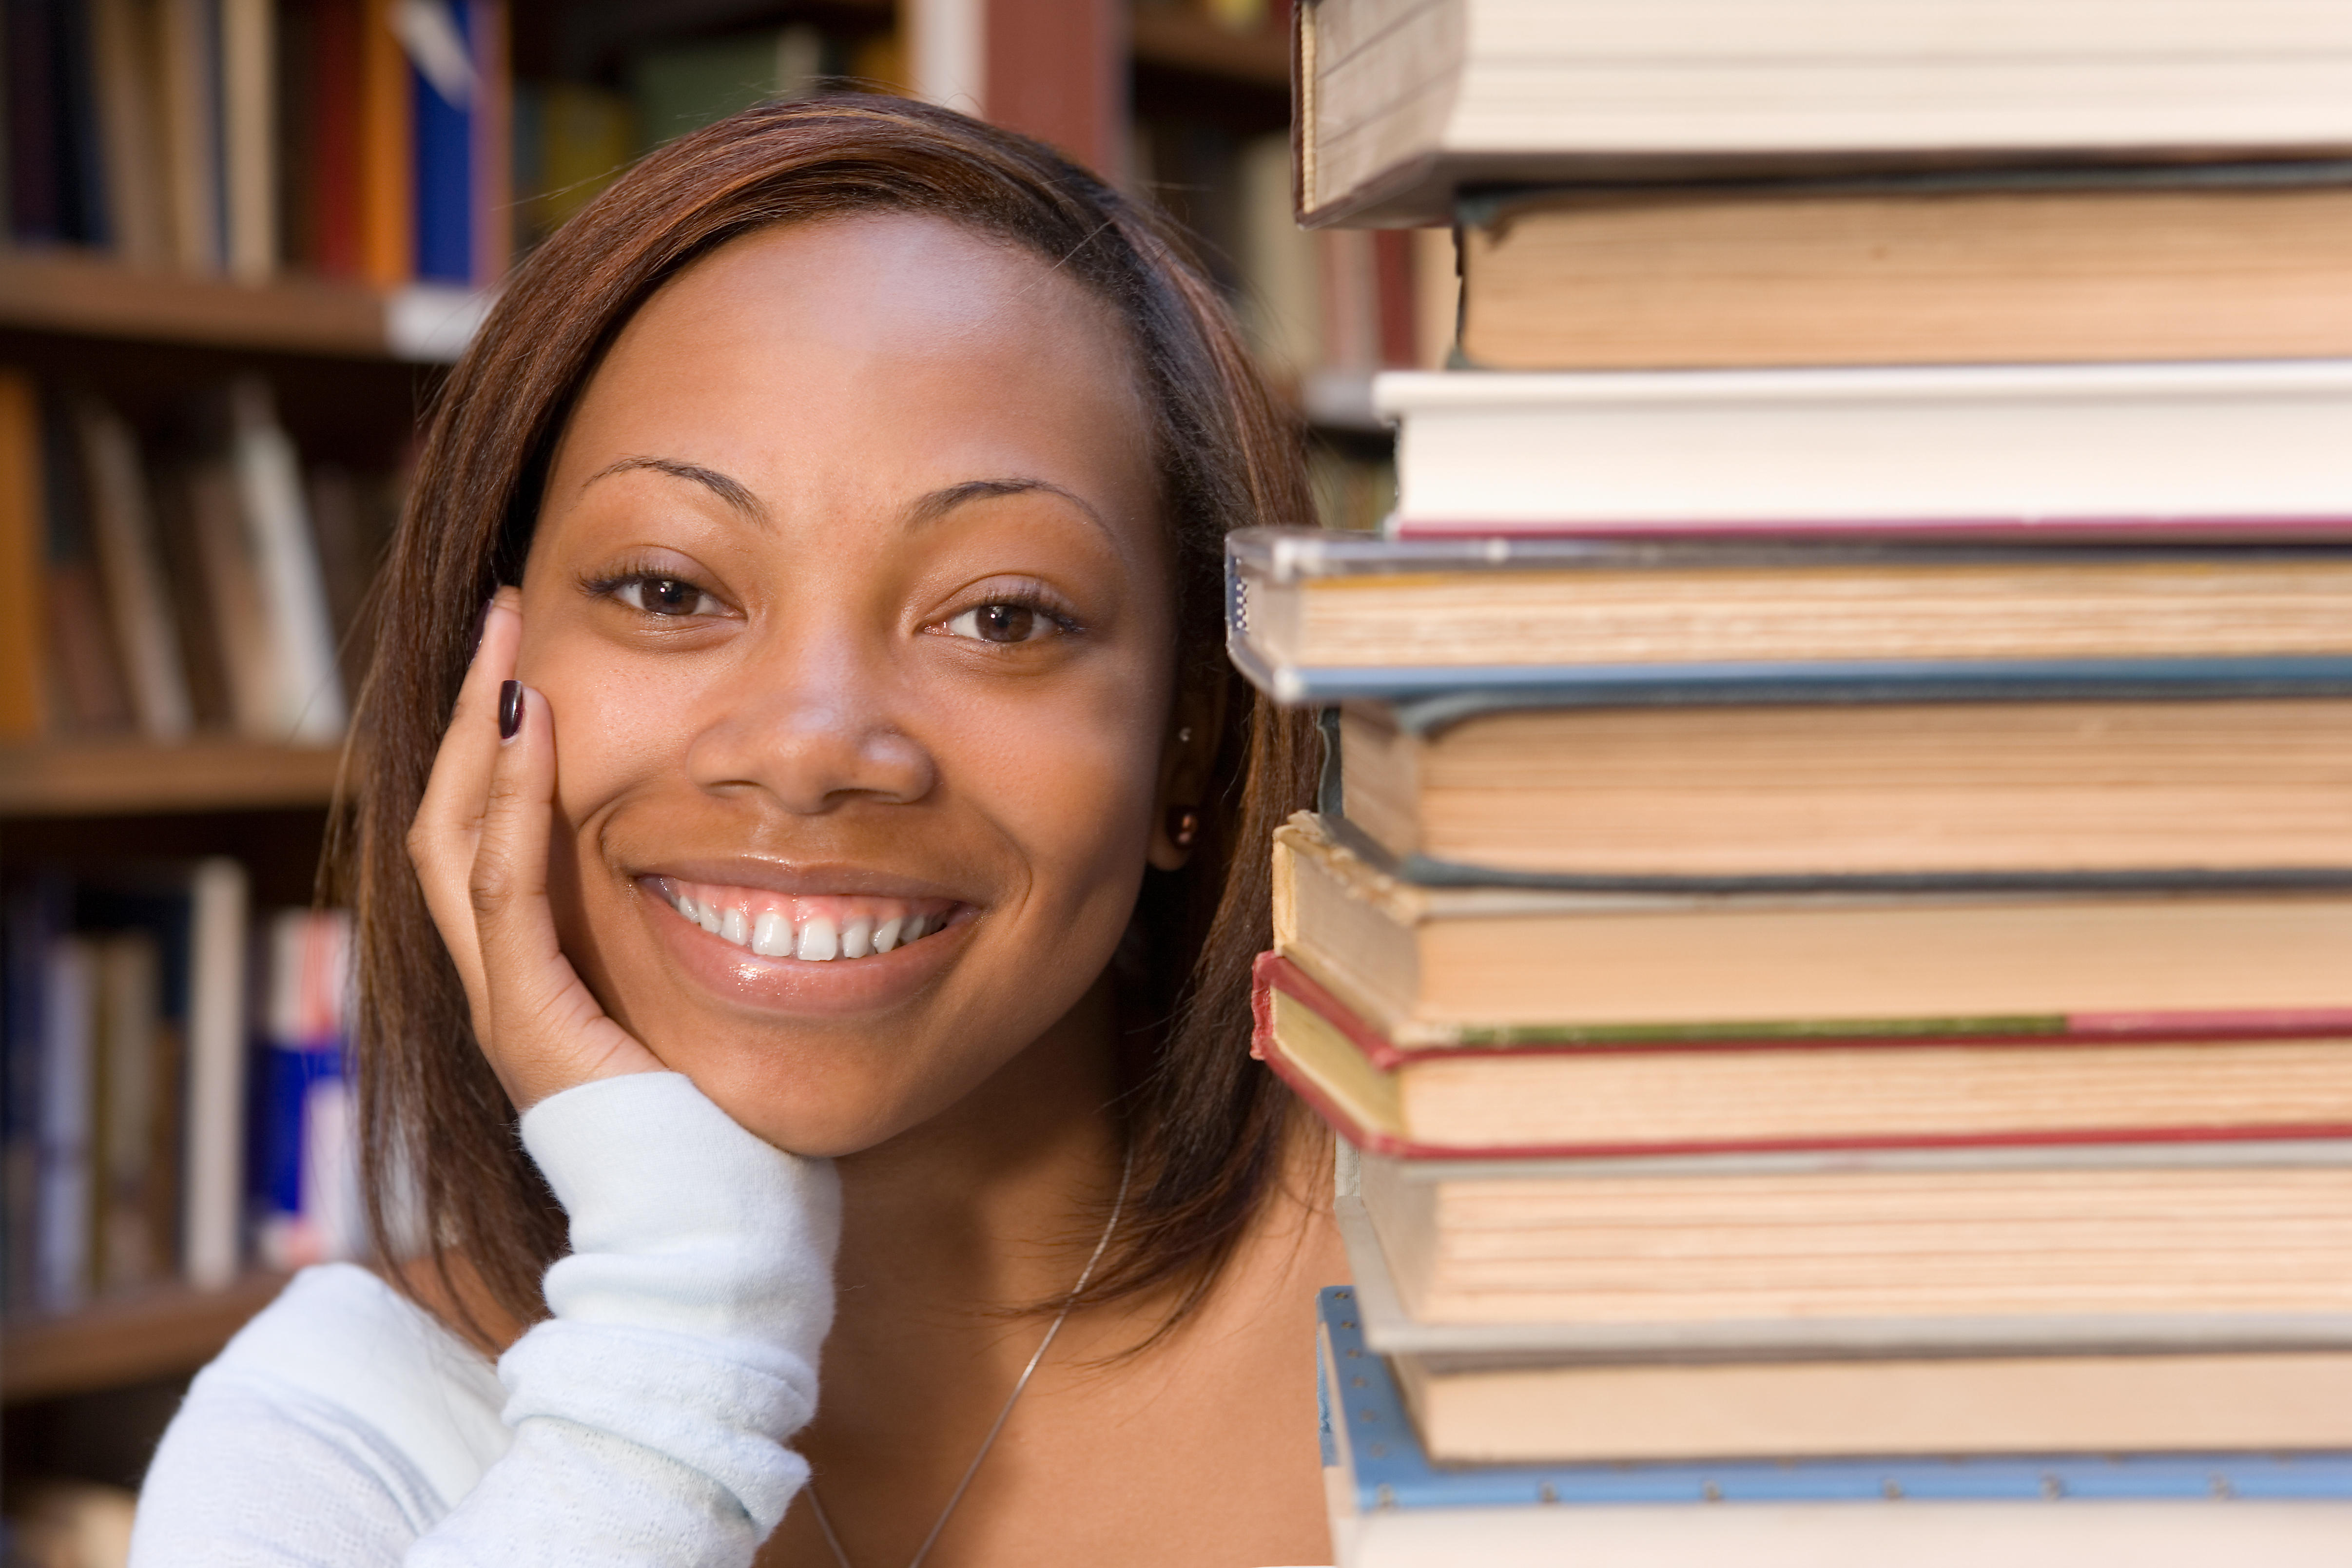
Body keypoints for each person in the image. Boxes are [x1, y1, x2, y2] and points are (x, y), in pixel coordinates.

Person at [129, 98, 1346, 1568]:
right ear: (483, 682)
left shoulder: (1492, 1281)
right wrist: (685, 1306)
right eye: (667, 589)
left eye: (1002, 614)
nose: (810, 746)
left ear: (1192, 739)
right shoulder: (342, 1427)